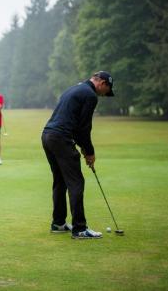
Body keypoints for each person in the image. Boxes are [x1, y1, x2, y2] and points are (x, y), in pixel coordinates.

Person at [42, 71, 114, 239]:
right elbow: (84, 127)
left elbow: (75, 125)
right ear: (102, 83)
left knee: (60, 181)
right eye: (106, 90)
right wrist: (89, 151)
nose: (104, 95)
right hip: (60, 138)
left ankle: (58, 223)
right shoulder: (90, 95)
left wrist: (82, 146)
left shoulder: (74, 89)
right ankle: (80, 229)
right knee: (76, 182)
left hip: (47, 136)